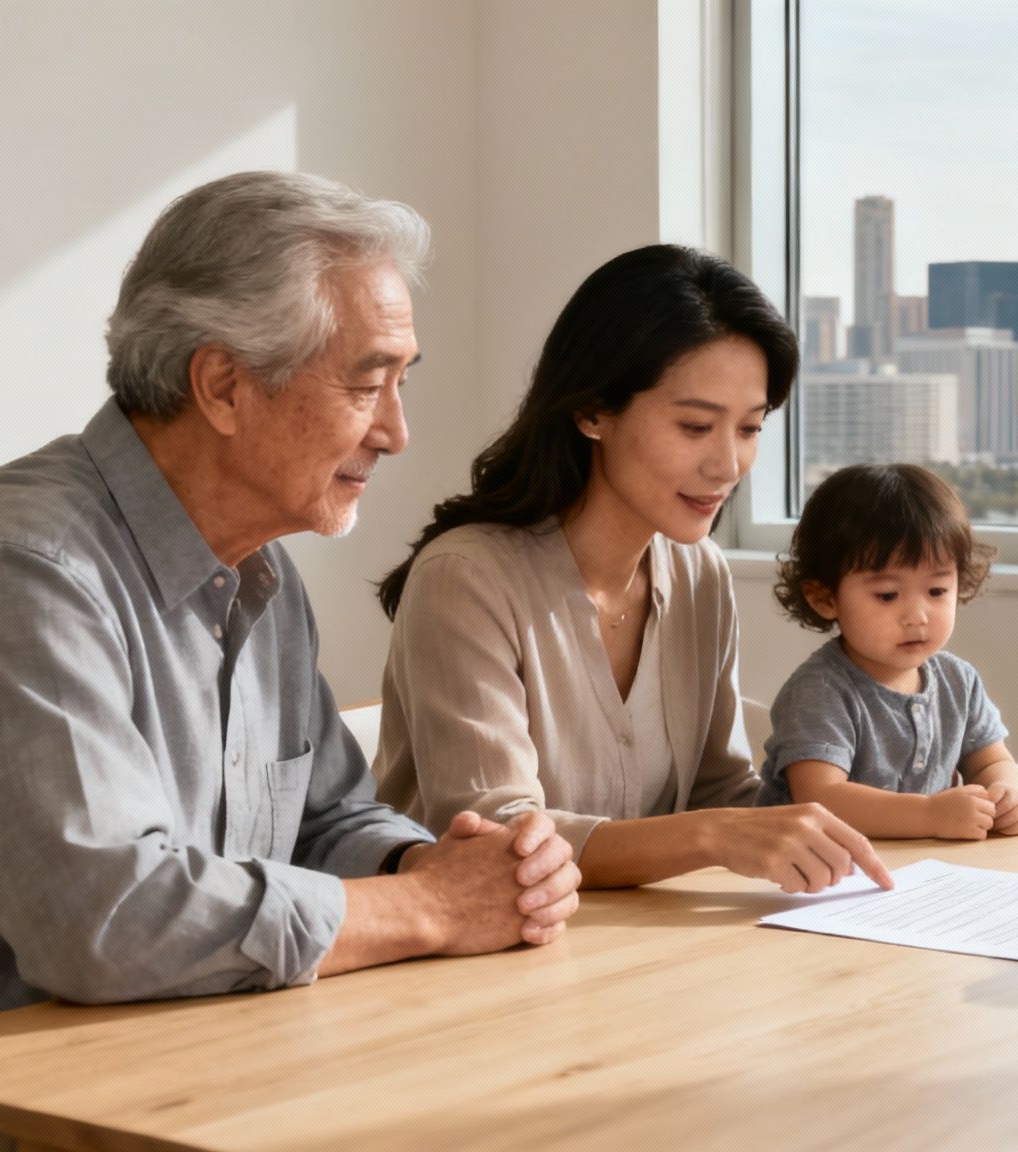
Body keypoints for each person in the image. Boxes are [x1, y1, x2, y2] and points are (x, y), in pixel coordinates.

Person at [0, 173, 582, 1049]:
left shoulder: (258, 570)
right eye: (368, 385)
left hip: (190, 1061)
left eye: (403, 384)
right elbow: (109, 923)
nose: (396, 433)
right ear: (222, 386)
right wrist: (429, 906)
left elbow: (326, 819)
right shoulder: (16, 570)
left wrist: (427, 861)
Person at [372, 245, 892, 895]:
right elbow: (498, 837)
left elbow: (718, 790)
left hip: (638, 939)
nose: (727, 465)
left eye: (750, 429)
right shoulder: (466, 578)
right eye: (695, 426)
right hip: (469, 943)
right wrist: (712, 835)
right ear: (593, 410)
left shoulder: (700, 574)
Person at [756, 463, 1018, 840]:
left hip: (911, 865)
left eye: (936, 591)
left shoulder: (958, 681)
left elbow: (991, 761)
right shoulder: (820, 692)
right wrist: (930, 815)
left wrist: (1006, 794)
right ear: (824, 597)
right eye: (887, 595)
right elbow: (821, 798)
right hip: (808, 865)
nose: (917, 616)